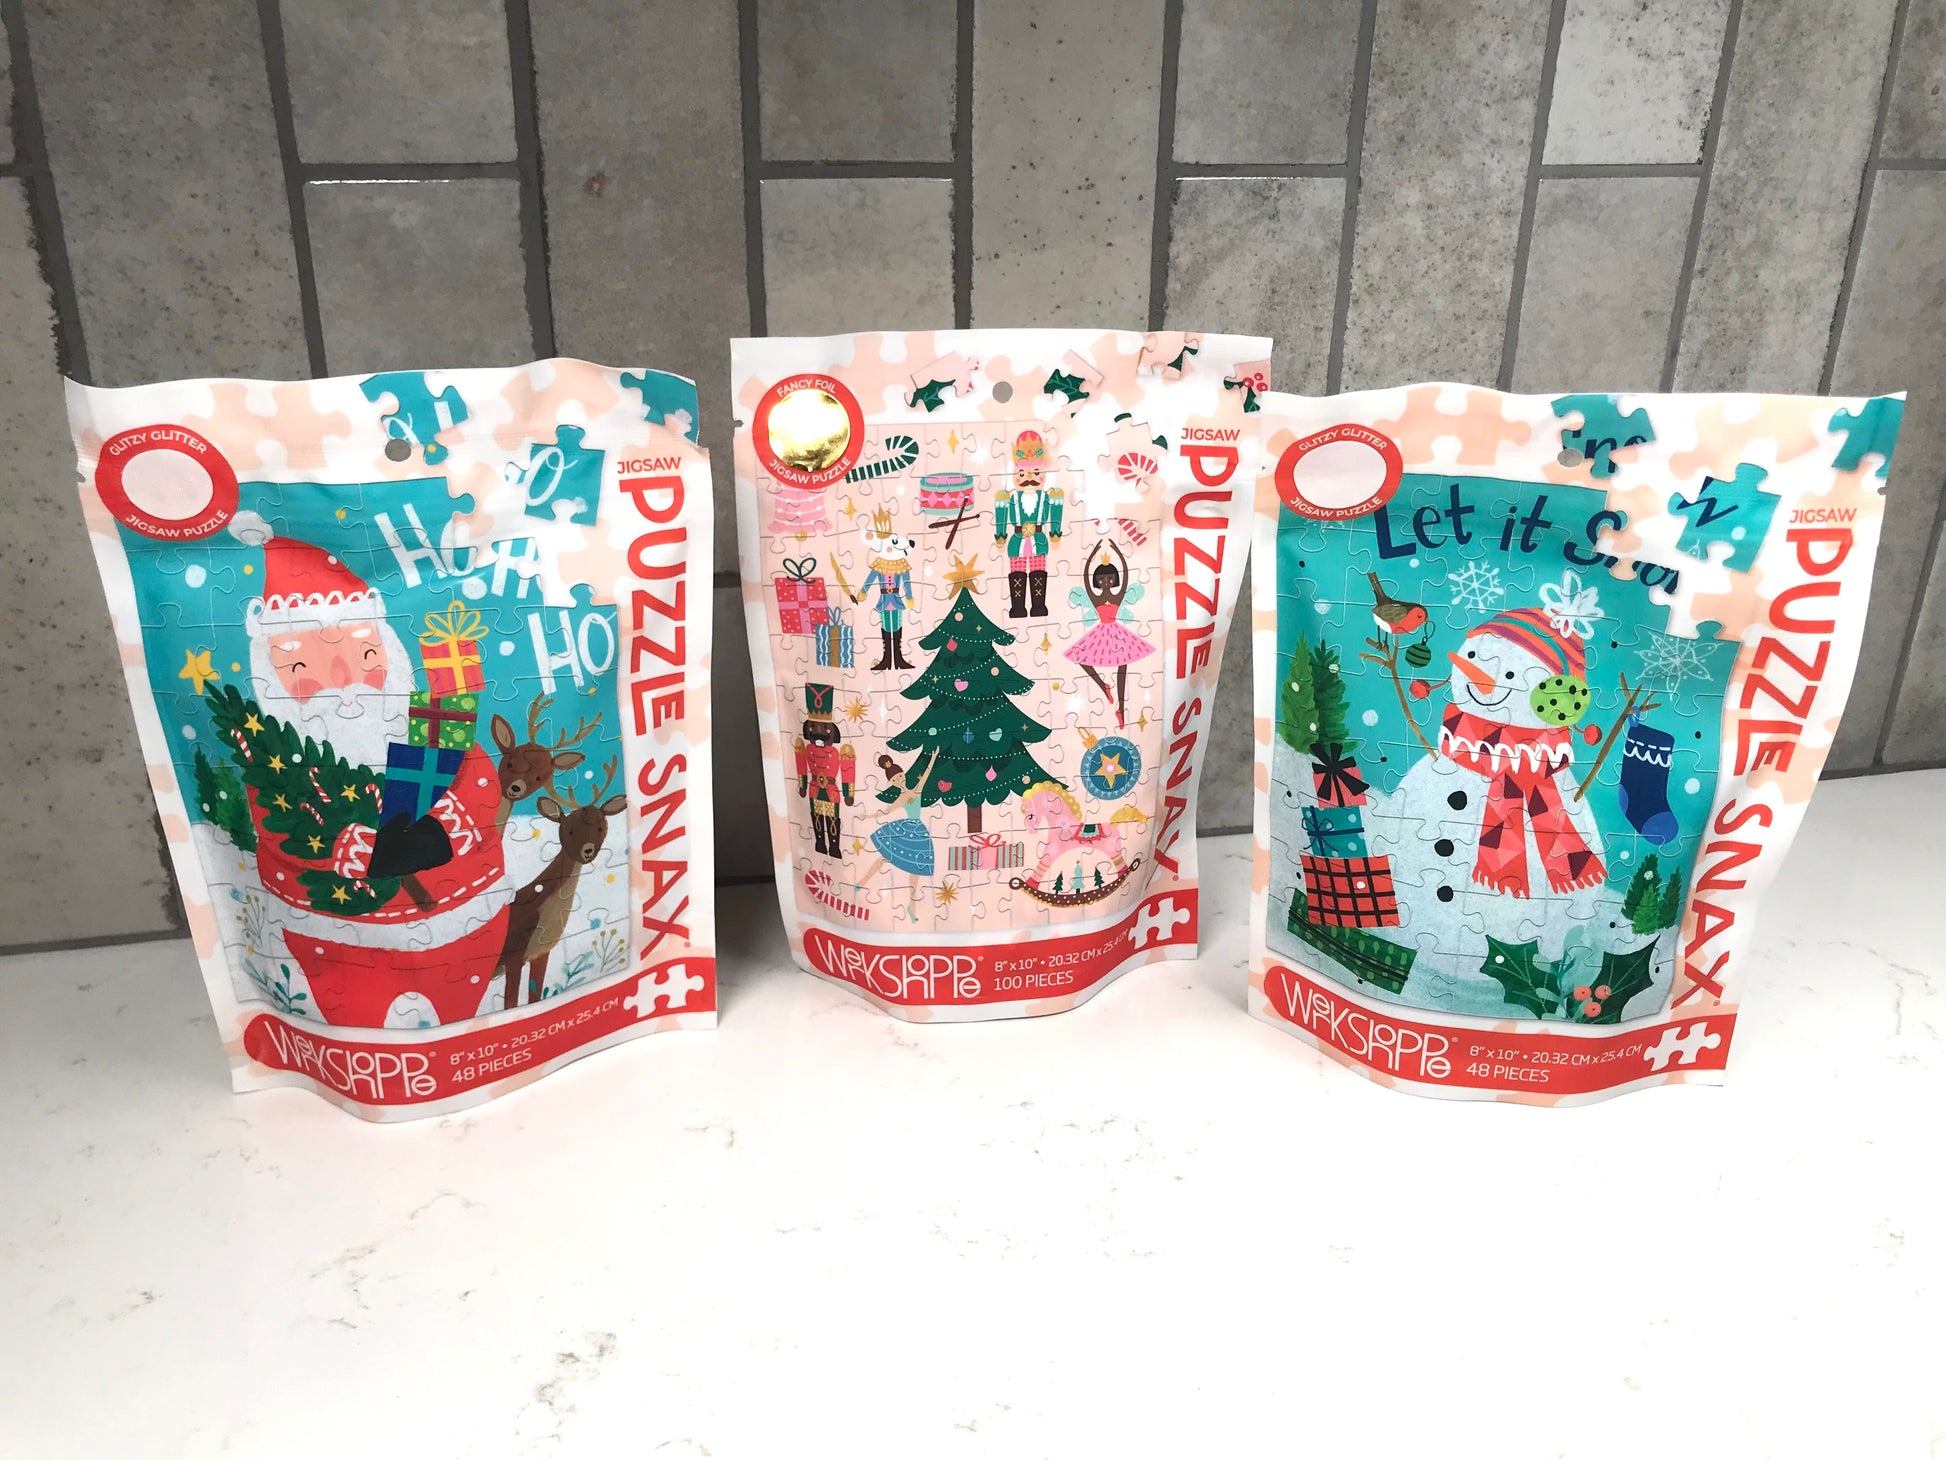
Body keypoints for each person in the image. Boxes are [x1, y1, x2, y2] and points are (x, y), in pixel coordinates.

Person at [1065, 539, 1155, 727]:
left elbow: (1126, 575)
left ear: (1114, 579)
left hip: (1117, 634)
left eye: (1109, 578)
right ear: (1097, 581)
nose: (1106, 581)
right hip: (1101, 634)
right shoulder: (1095, 597)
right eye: (1101, 579)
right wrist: (1091, 556)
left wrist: (1119, 554)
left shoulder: (1117, 595)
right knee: (1080, 657)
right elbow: (1085, 579)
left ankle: (1121, 708)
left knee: (1123, 668)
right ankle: (1103, 685)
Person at [860, 748, 940, 921]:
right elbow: (885, 812)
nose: (898, 780)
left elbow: (926, 775)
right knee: (884, 857)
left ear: (903, 774)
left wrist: (933, 758)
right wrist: (867, 816)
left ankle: (912, 907)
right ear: (892, 782)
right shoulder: (901, 798)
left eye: (899, 776)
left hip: (918, 832)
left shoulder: (916, 790)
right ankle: (863, 881)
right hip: (905, 829)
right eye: (894, 779)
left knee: (916, 871)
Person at [992, 429, 1063, 618]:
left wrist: (1055, 536)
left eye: (1036, 472)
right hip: (1016, 541)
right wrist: (1000, 538)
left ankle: (1038, 607)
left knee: (1038, 572)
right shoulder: (1008, 497)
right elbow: (1001, 516)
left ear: (1043, 474)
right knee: (1017, 573)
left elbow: (1056, 513)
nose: (1028, 478)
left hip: (1039, 540)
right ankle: (1018, 608)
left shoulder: (1048, 496)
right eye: (1021, 473)